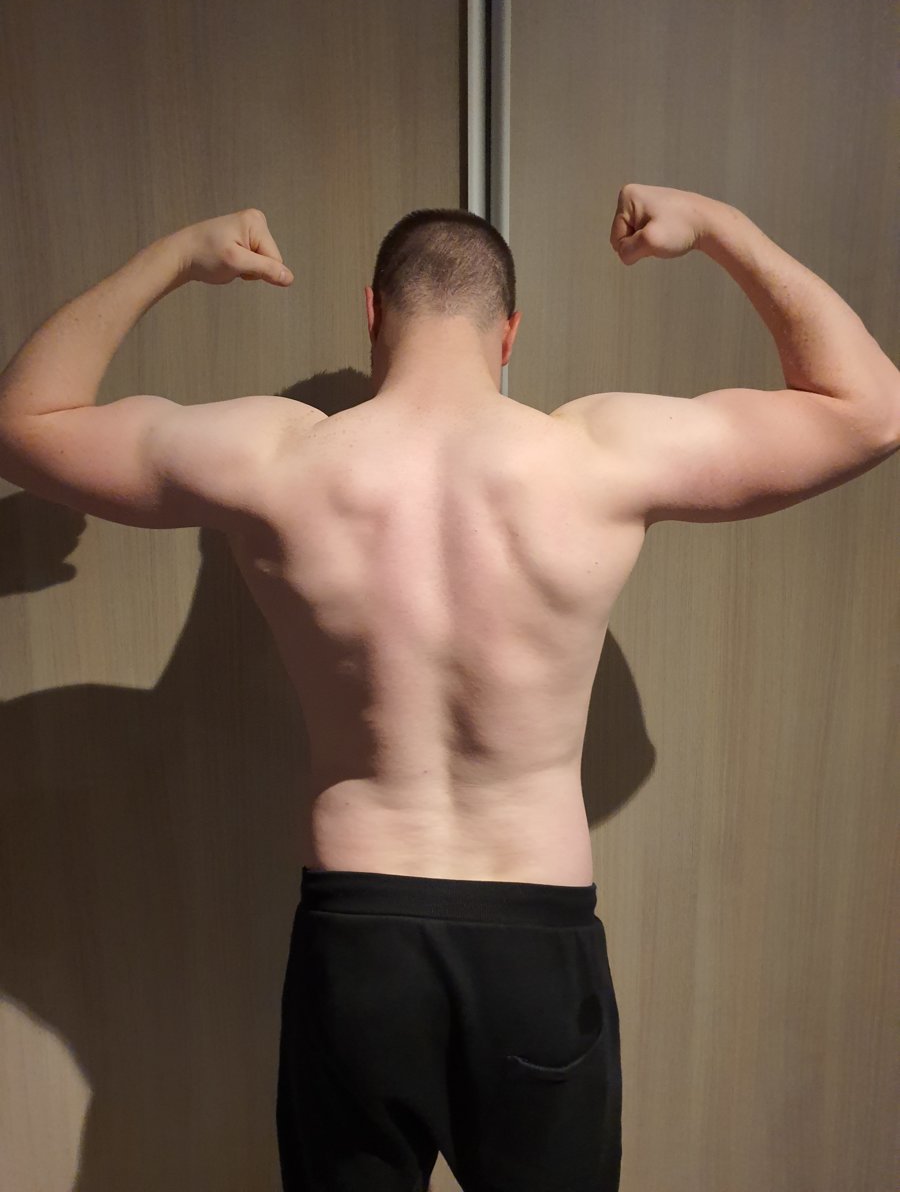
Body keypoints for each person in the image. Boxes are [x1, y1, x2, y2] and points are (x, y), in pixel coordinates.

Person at [0, 185, 897, 1191]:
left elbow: (27, 418)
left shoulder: (272, 456)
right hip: (536, 944)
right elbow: (871, 409)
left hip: (359, 941)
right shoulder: (596, 456)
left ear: (372, 313)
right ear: (509, 333)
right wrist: (719, 228)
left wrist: (177, 255)